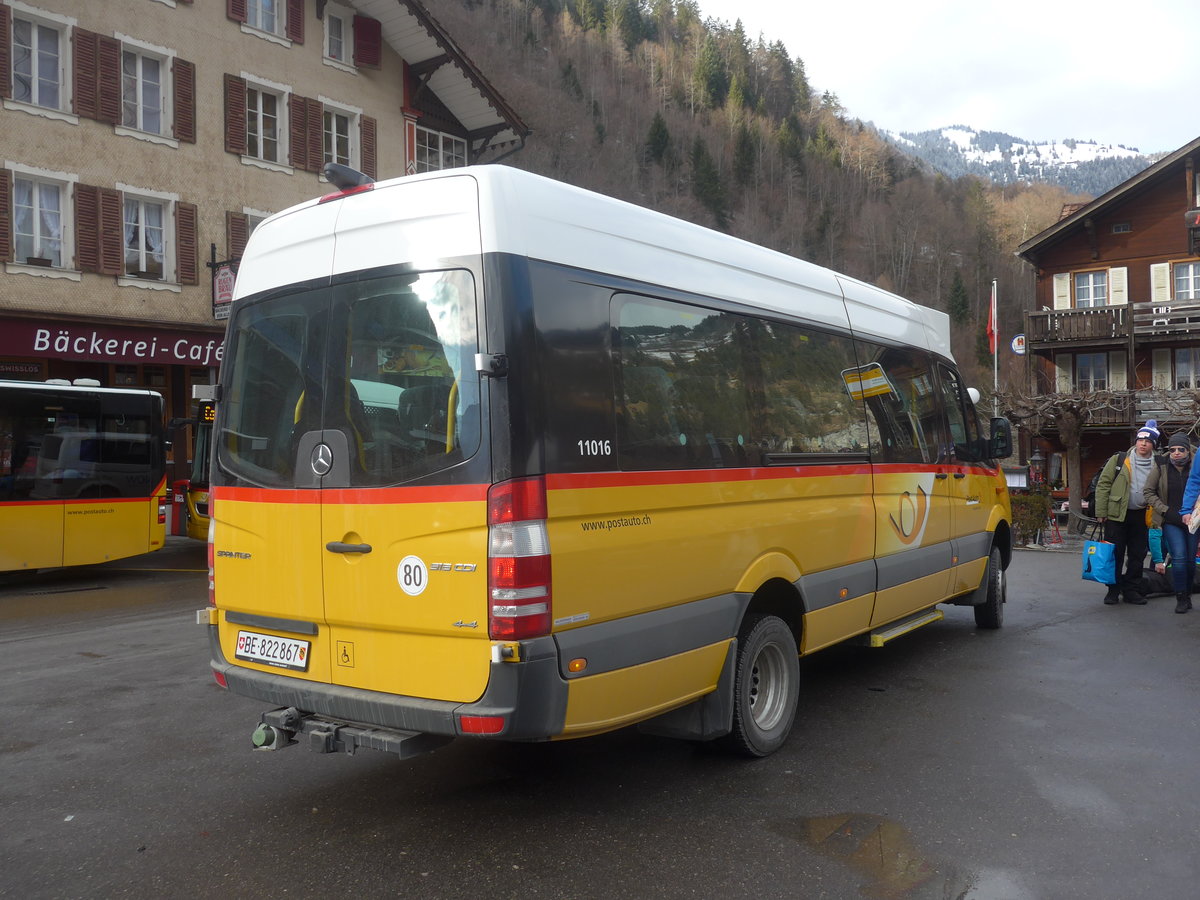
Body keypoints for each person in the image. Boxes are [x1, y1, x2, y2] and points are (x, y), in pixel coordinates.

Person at [1094, 419, 1159, 605]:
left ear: (1153, 444)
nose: (1143, 444)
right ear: (1136, 441)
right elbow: (1103, 485)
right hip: (1117, 514)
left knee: (1137, 555)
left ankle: (1131, 589)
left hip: (1142, 515)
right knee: (1115, 553)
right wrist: (1101, 511)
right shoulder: (1120, 459)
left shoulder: (1158, 464)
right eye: (1140, 440)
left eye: (1148, 441)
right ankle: (1112, 590)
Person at [1145, 432, 1198, 613]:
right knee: (1179, 557)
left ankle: (1188, 592)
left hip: (1194, 520)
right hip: (1171, 519)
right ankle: (1181, 596)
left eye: (1181, 449)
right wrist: (1164, 510)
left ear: (1188, 450)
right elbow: (1148, 492)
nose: (1176, 453)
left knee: (1191, 561)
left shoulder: (1196, 464)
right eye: (1172, 449)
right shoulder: (1161, 465)